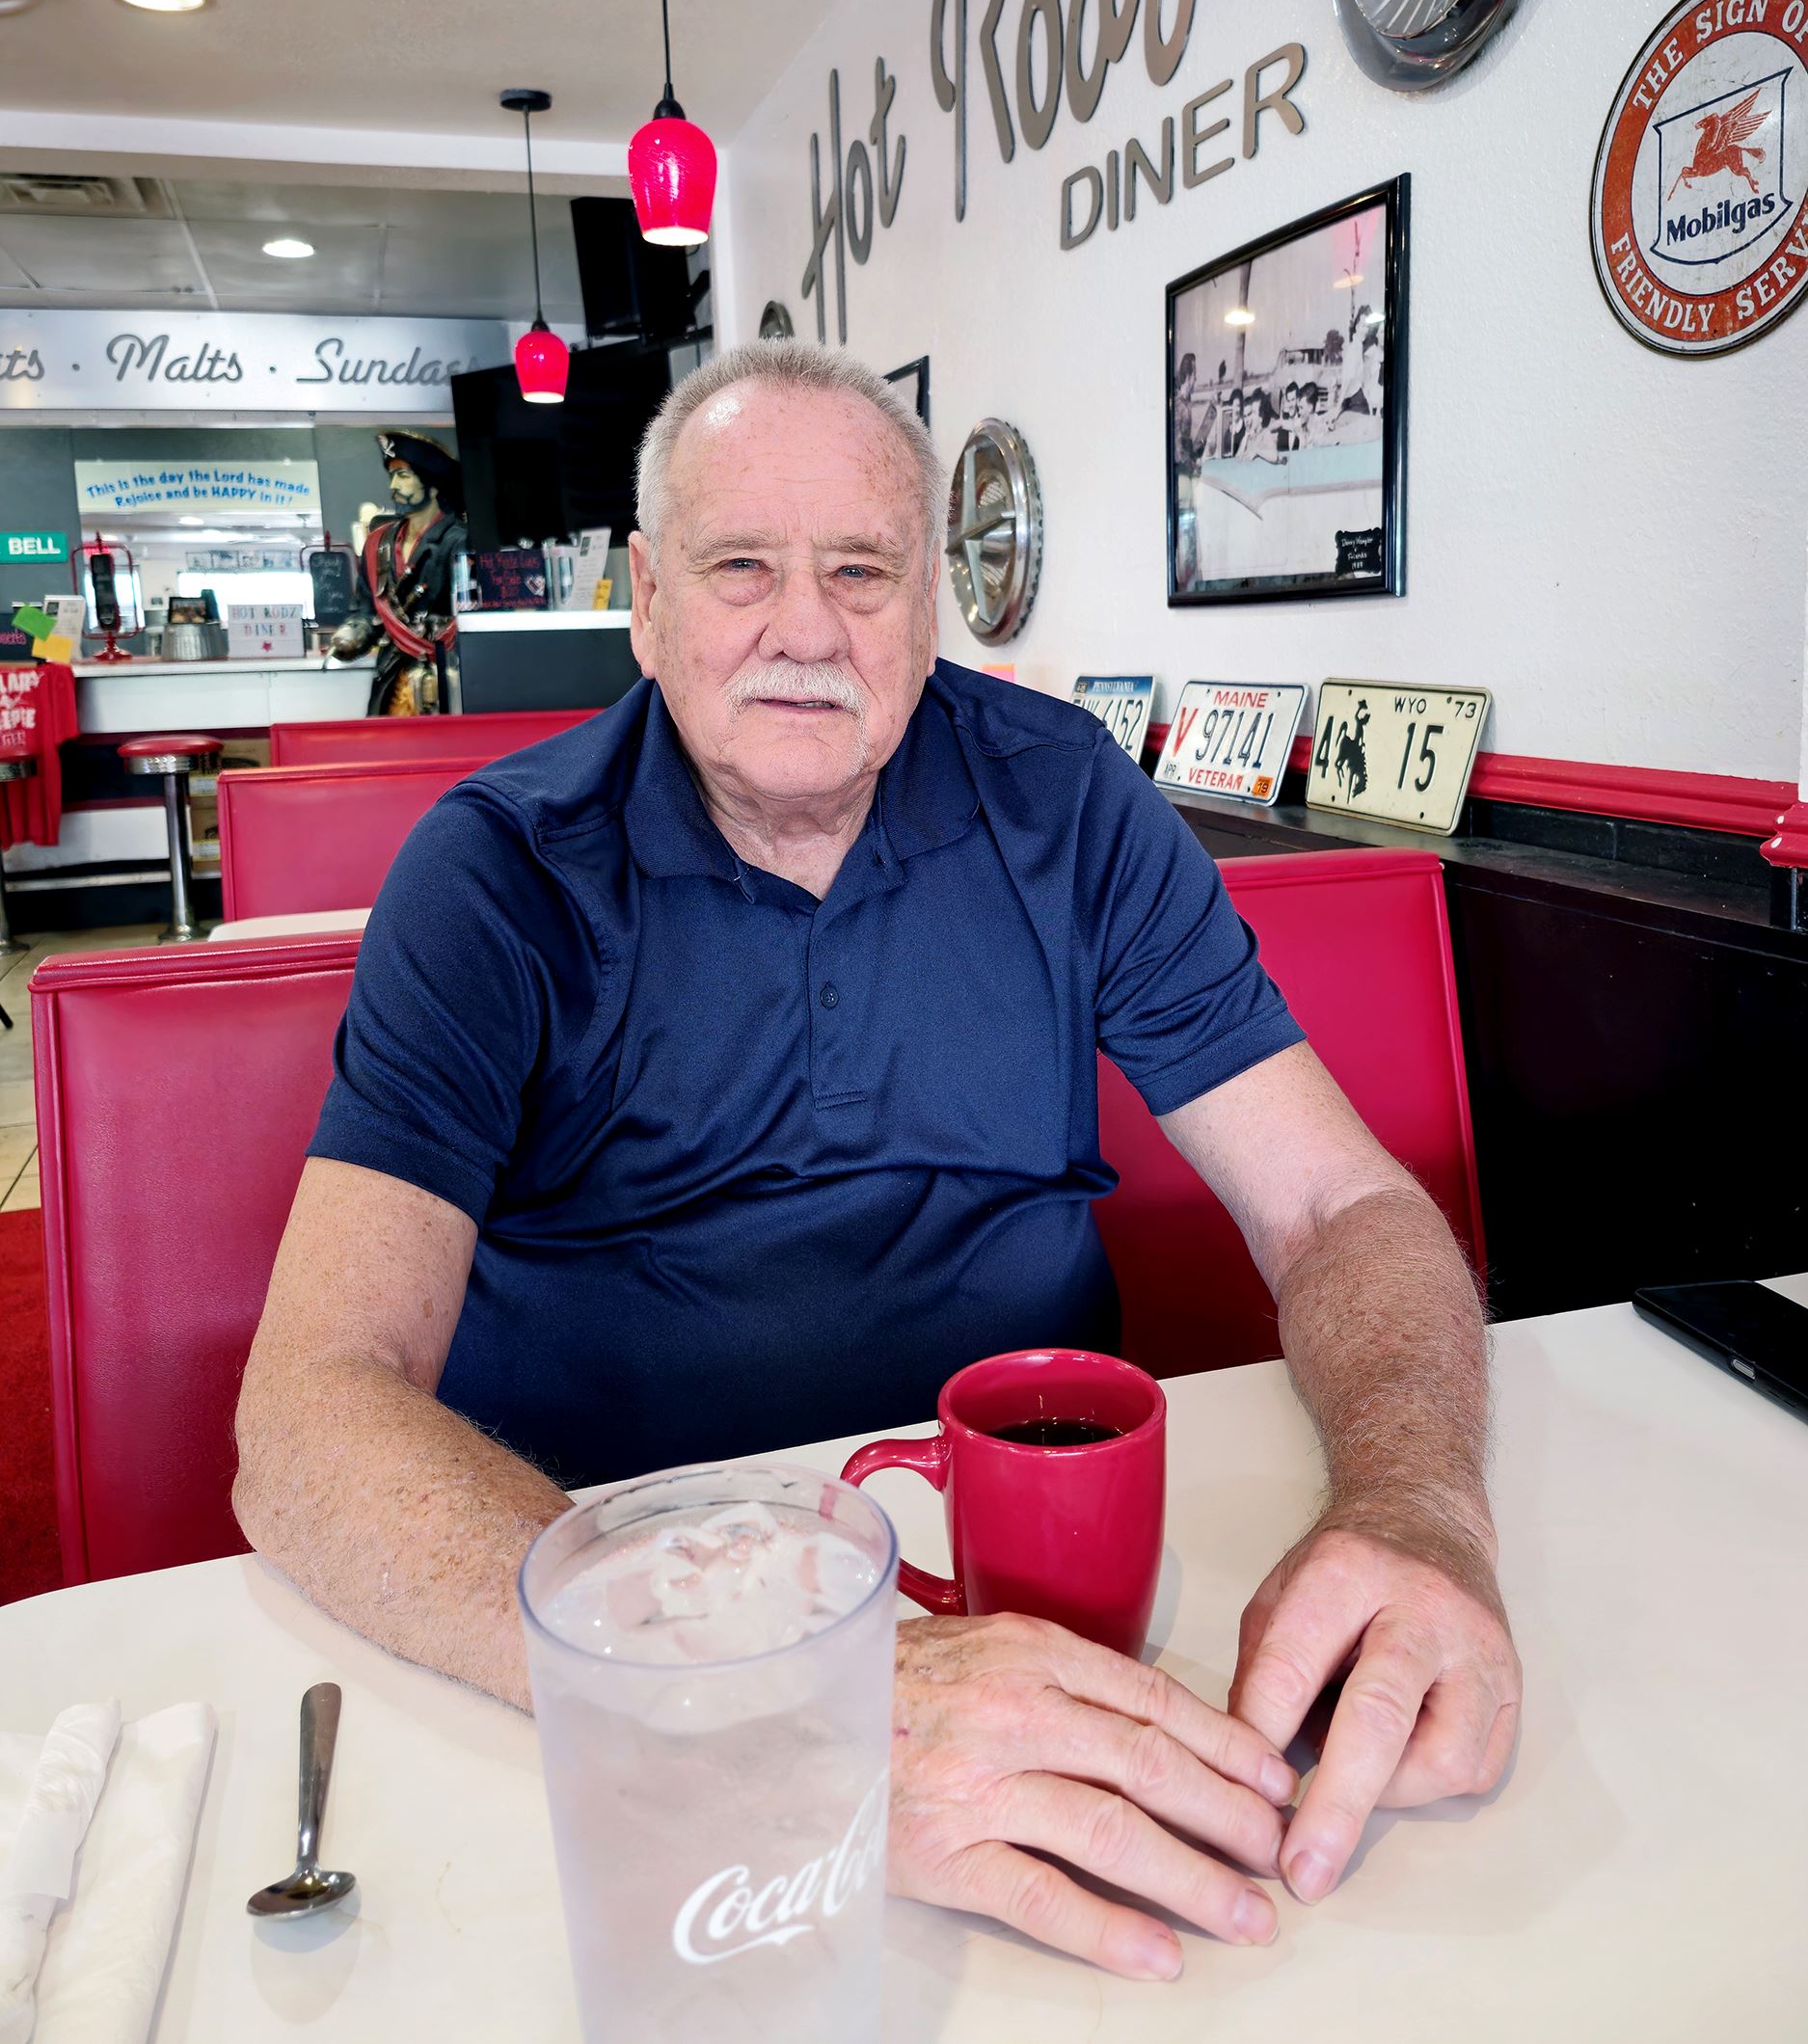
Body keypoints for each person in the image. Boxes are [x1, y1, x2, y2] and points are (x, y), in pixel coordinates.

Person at [235, 340, 1519, 1982]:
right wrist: (748, 1710)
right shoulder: (499, 875)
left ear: (930, 609)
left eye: (862, 571)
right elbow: (306, 1412)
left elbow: (1340, 1202)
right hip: (604, 1631)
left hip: (1046, 1598)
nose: (806, 628)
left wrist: (1422, 1504)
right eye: (741, 569)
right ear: (644, 597)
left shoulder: (1072, 805)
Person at [328, 429, 466, 713]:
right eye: (392, 475)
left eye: (403, 475)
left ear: (433, 483)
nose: (393, 485)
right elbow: (366, 608)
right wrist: (356, 631)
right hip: (393, 676)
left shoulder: (460, 541)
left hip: (448, 678)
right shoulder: (379, 543)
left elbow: (472, 619)